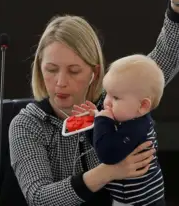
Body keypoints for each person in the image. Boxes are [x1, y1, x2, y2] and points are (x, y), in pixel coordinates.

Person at [8, 0, 179, 206]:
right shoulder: (28, 125)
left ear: (95, 72)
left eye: (74, 71)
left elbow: (166, 58)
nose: (60, 82)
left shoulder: (114, 100)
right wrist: (110, 171)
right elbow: (39, 198)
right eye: (51, 70)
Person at [71, 54, 166, 205]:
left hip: (143, 202)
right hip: (123, 198)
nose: (107, 102)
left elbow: (107, 155)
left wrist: (102, 120)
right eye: (106, 94)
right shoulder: (125, 117)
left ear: (142, 106)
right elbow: (98, 144)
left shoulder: (137, 128)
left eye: (115, 97)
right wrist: (94, 122)